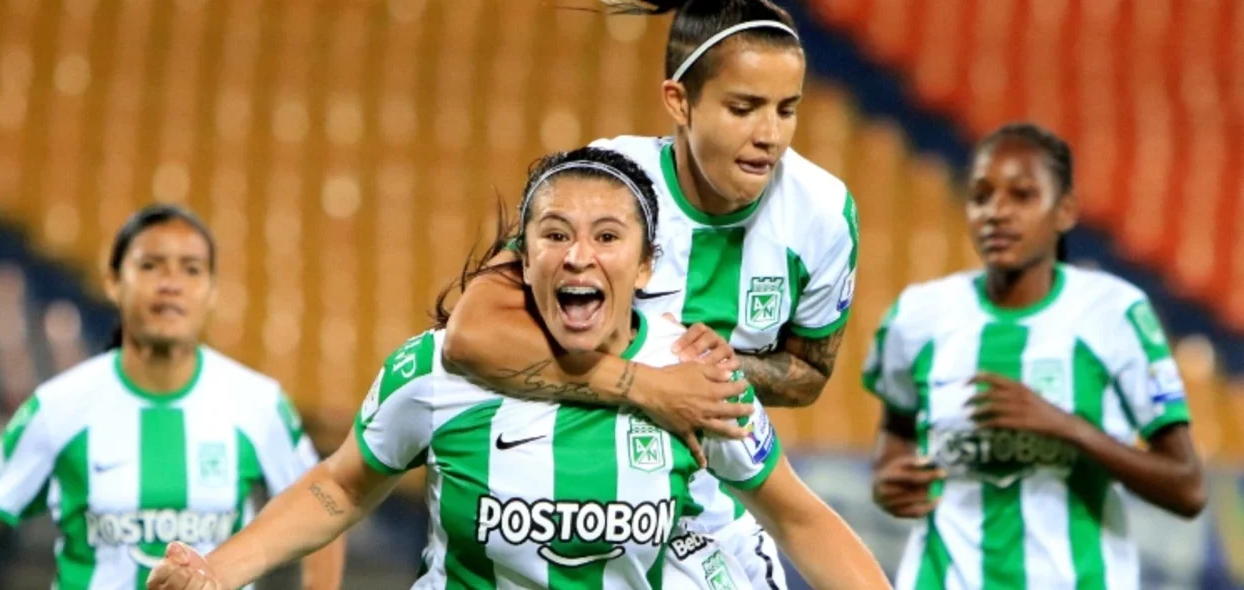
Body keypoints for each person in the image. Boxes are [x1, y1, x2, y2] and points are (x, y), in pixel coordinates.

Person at [143, 146, 889, 590]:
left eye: (606, 236)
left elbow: (798, 516)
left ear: (646, 263)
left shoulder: (696, 375)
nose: (578, 255)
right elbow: (339, 486)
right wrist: (218, 570)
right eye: (554, 234)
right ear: (521, 257)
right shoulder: (433, 371)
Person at [441, 1, 857, 585]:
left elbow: (810, 375)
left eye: (787, 110)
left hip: (717, 508)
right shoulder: (610, 186)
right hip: (584, 502)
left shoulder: (824, 216)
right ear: (678, 102)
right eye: (744, 108)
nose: (770, 136)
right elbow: (473, 332)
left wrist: (718, 369)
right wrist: (650, 386)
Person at [863, 123, 1207, 589]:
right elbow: (896, 432)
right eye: (981, 196)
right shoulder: (918, 315)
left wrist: (1067, 427)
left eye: (1022, 196)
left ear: (1065, 210)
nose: (996, 213)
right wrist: (887, 479)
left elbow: (1187, 488)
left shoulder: (1114, 313)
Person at [0, 205, 345, 589]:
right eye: (151, 266)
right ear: (113, 282)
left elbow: (324, 513)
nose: (171, 283)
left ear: (212, 291)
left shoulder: (260, 404)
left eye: (191, 269)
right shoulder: (57, 406)